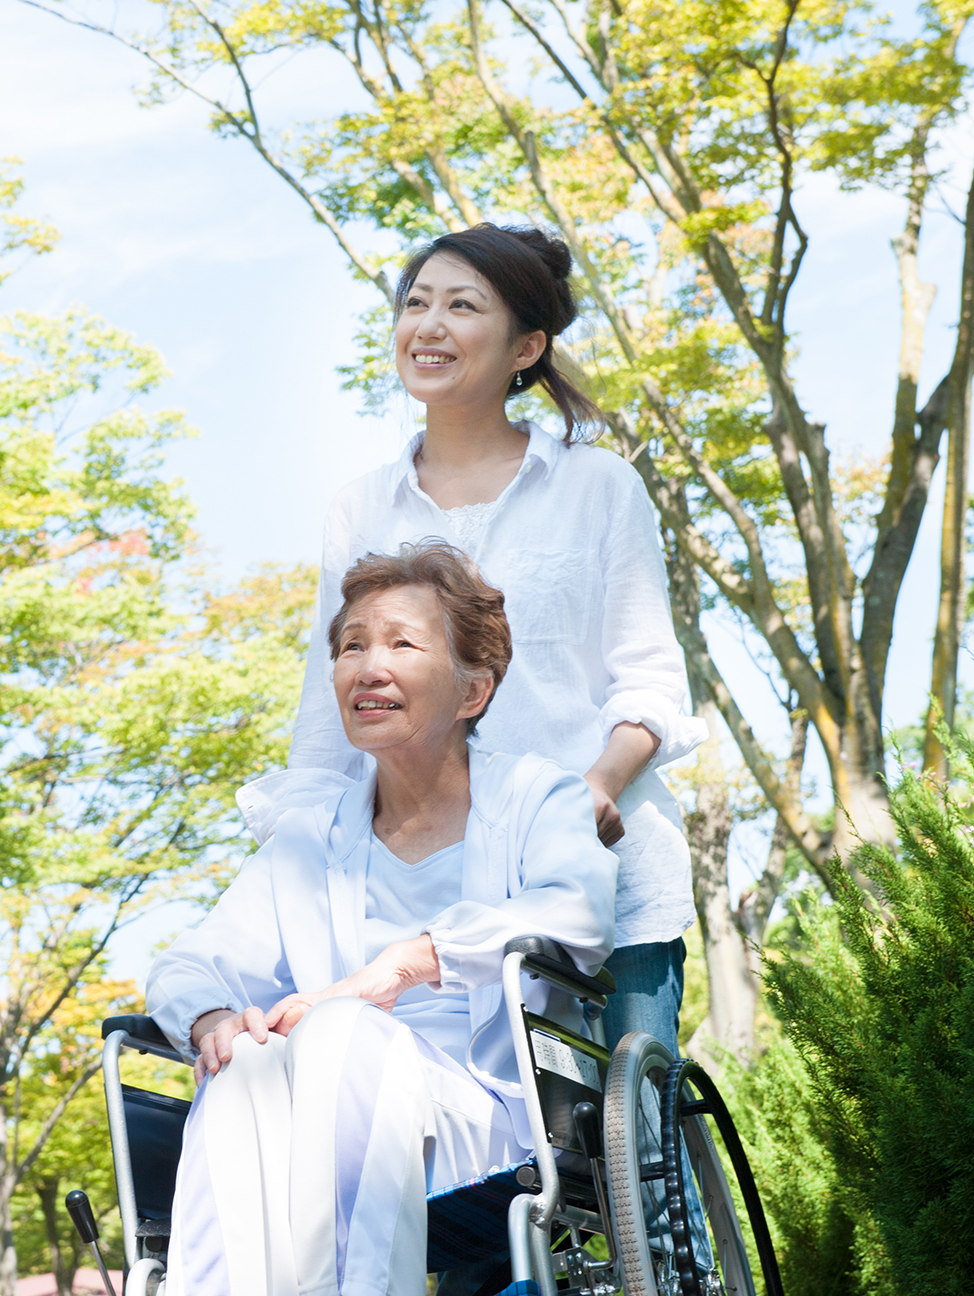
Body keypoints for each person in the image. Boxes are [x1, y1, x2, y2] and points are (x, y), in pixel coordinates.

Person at [238, 223, 704, 1057]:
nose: (429, 325)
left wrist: (593, 790)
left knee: (638, 1153)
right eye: (415, 304)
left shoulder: (598, 486)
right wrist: (294, 878)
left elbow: (649, 683)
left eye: (462, 305)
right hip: (432, 902)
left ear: (526, 344)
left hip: (606, 877)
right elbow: (329, 716)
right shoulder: (362, 508)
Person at [148, 542, 616, 1296]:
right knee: (244, 1061)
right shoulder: (311, 839)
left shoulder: (538, 799)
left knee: (338, 1028)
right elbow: (187, 964)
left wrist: (401, 965)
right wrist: (210, 1022)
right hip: (315, 1133)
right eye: (352, 646)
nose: (368, 667)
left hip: (486, 1121)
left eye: (403, 643)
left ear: (472, 691)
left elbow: (580, 912)